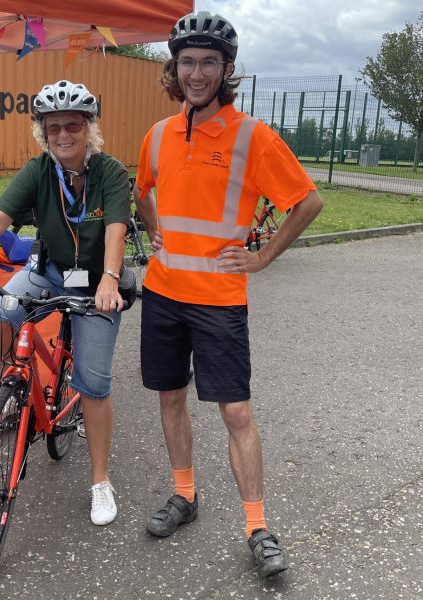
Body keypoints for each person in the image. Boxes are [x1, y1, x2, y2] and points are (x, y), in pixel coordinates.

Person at [133, 12, 323, 577]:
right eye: (187, 61)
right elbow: (141, 188)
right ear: (175, 67)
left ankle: (257, 527)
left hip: (219, 299)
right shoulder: (159, 135)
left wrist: (262, 257)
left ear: (226, 69)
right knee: (170, 398)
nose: (196, 73)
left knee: (235, 410)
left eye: (208, 62)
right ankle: (185, 496)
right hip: (164, 292)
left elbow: (307, 202)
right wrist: (152, 227)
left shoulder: (254, 138)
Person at [0, 79, 130, 527]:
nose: (64, 134)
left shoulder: (111, 172)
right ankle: (11, 388)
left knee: (94, 384)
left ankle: (100, 481)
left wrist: (111, 280)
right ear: (44, 132)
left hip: (98, 278)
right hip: (48, 269)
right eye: (54, 126)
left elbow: (116, 228)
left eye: (73, 125)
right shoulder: (39, 169)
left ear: (88, 128)